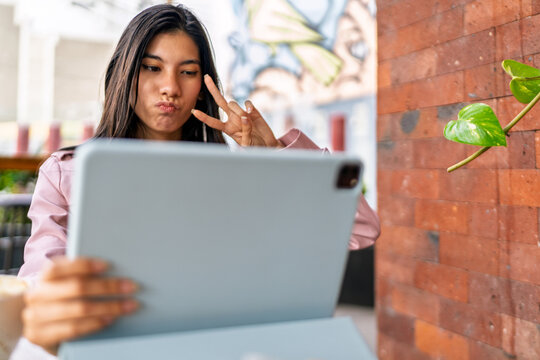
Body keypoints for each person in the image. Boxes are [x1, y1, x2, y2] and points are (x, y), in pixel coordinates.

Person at [16, 3, 380, 357]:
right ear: (124, 72)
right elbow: (39, 278)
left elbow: (360, 228)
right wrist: (51, 303)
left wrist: (273, 151)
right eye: (151, 68)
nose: (170, 87)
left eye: (188, 72)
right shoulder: (66, 171)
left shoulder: (240, 177)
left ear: (203, 87)